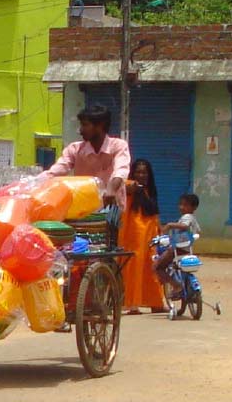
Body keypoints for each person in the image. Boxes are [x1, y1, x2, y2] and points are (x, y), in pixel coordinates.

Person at [42, 105, 131, 208]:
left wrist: (111, 190)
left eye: (85, 125)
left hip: (112, 210)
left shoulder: (118, 146)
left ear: (100, 126)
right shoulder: (74, 149)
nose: (80, 130)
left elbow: (121, 170)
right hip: (84, 210)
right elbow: (57, 170)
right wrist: (35, 182)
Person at [119, 159, 167, 315]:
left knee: (152, 266)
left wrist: (160, 229)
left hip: (150, 235)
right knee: (134, 267)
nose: (141, 175)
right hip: (133, 235)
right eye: (138, 172)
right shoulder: (130, 187)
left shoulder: (149, 190)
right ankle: (132, 304)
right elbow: (122, 187)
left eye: (144, 172)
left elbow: (154, 212)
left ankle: (156, 302)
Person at [153, 194, 201, 298]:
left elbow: (184, 226)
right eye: (180, 204)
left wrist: (170, 225)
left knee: (157, 267)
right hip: (187, 250)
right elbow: (198, 231)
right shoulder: (193, 218)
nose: (181, 207)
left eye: (185, 205)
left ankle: (176, 286)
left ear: (193, 207)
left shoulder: (187, 217)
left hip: (178, 250)